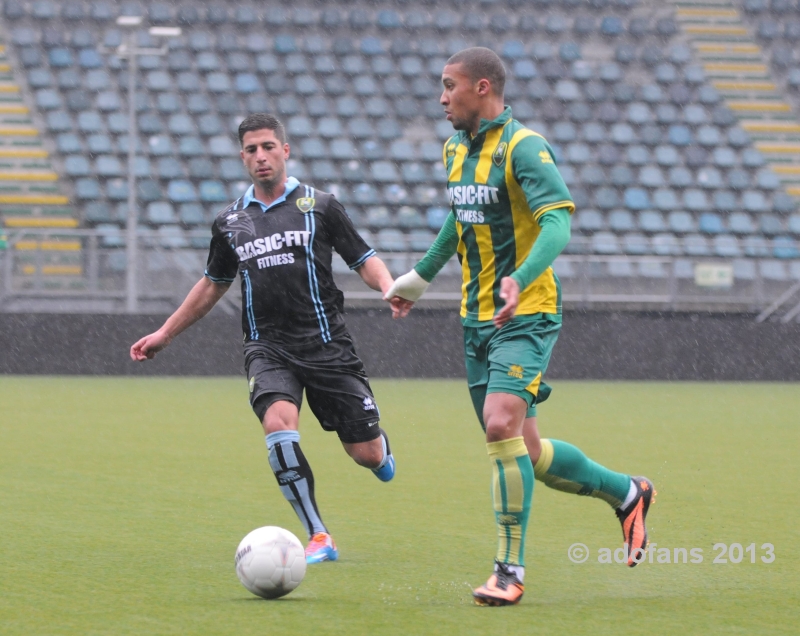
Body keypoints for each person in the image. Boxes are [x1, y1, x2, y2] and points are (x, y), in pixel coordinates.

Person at [385, 48, 656, 606]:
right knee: (524, 451)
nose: (441, 98)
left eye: (449, 86)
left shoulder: (524, 147)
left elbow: (557, 223)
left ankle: (509, 570)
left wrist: (520, 277)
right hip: (475, 320)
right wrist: (419, 276)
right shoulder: (453, 150)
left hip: (526, 312)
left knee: (497, 424)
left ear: (482, 88)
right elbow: (460, 220)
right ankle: (628, 493)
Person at [131, 113, 397, 564]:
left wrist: (390, 288)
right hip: (267, 346)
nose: (261, 156)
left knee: (365, 454)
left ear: (285, 150)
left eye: (268, 147)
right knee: (277, 423)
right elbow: (213, 283)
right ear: (242, 157)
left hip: (328, 344)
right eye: (251, 150)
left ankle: (380, 451)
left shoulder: (321, 206)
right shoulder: (231, 221)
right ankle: (318, 535)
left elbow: (363, 258)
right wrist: (165, 332)